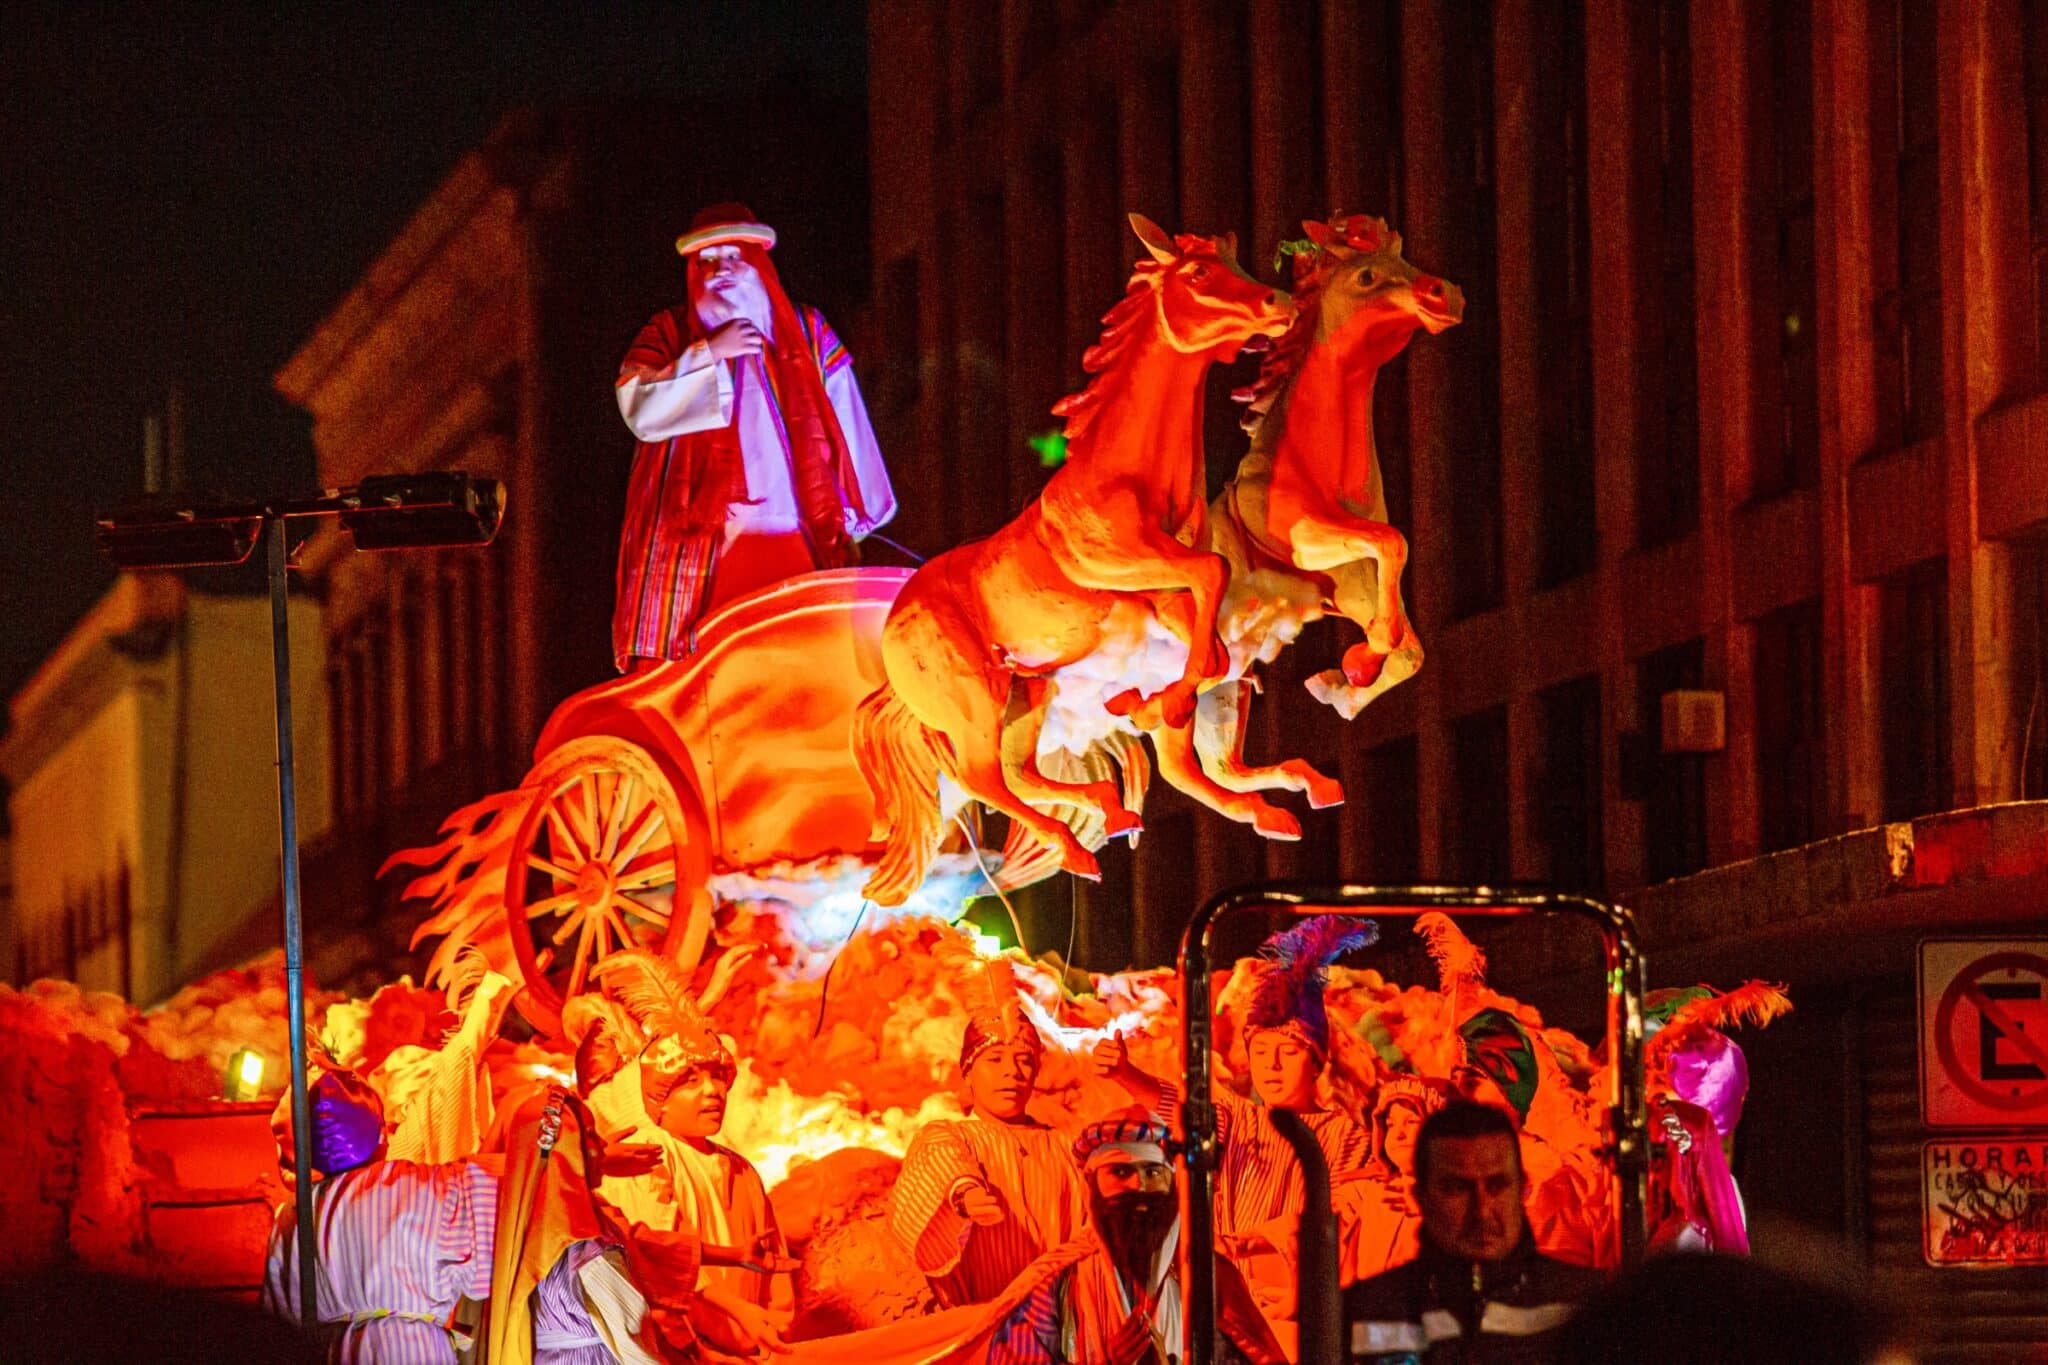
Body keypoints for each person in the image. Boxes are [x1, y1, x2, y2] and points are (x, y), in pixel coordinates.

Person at [612, 201, 897, 669]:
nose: (721, 271)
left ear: (757, 261)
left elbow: (845, 416)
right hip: (701, 544)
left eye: (733, 257)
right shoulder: (668, 333)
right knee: (705, 663)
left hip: (794, 526)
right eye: (707, 261)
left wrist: (856, 508)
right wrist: (709, 353)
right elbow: (640, 407)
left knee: (804, 654)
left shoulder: (807, 332)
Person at [1094, 918, 1376, 1325]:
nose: (1273, 1065)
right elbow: (1187, 1113)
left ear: (1317, 1061)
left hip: (1294, 1310)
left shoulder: (1344, 1137)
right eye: (1261, 1052)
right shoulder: (1239, 1118)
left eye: (1288, 1051)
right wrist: (1126, 1075)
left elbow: (1350, 1224)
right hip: (1224, 1305)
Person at [582, 949, 795, 1345]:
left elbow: (774, 1275)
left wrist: (774, 1328)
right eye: (691, 1081)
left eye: (717, 1077)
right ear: (658, 1099)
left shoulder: (742, 1170)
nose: (713, 1091)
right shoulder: (645, 1159)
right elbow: (658, 1264)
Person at [988, 1108, 1287, 1365]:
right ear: (1092, 1185)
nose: (1139, 1186)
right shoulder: (1056, 1285)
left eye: (1153, 1172)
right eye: (1119, 1172)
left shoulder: (1209, 1277)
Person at [890, 939, 1090, 1308]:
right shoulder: (952, 1136)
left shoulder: (1065, 1147)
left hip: (1059, 1322)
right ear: (968, 1072)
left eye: (1024, 1061)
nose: (1011, 1073)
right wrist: (963, 1195)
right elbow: (941, 1160)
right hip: (981, 1319)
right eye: (995, 1059)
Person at [262, 1068, 499, 1364]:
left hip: (332, 1354)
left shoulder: (293, 1219)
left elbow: (278, 1322)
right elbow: (504, 1209)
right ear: (380, 1133)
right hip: (412, 1352)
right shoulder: (423, 1186)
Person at [1342, 1101, 1604, 1362]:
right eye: (1458, 1188)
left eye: (1497, 1185)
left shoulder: (1583, 1304)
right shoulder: (1367, 1311)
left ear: (1523, 1188)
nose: (1482, 1210)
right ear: (1420, 1196)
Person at [1335, 1076, 1450, 1281]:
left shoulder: (1452, 1199)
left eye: (1411, 1122)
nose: (1398, 1134)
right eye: (1390, 1125)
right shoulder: (1368, 1191)